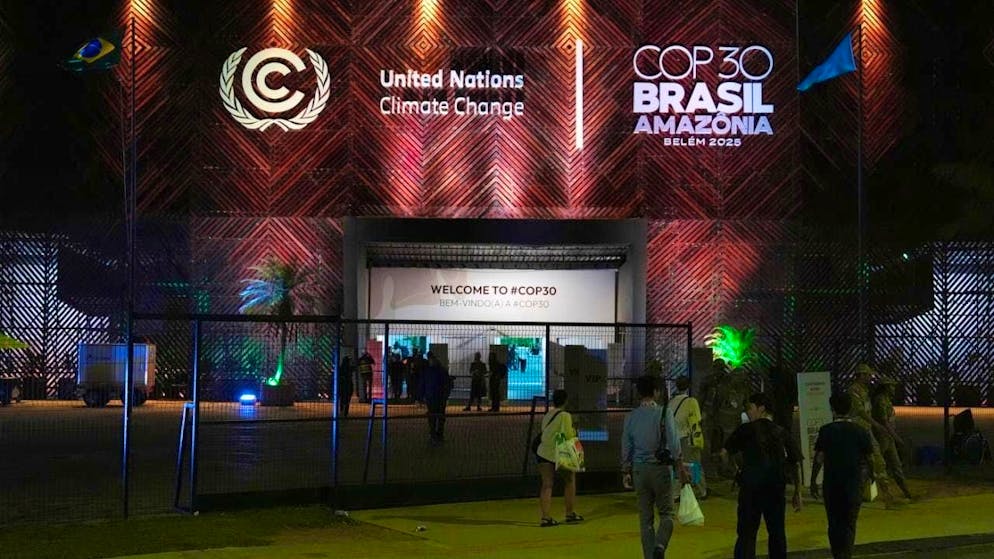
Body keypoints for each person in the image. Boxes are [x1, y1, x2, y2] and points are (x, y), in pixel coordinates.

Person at [722, 393, 802, 559]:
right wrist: (797, 492)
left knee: (747, 533)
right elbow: (795, 462)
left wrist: (736, 468)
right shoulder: (782, 432)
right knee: (777, 531)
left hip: (751, 487)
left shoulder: (745, 429)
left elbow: (724, 453)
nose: (748, 412)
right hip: (775, 488)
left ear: (761, 408)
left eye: (750, 408)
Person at [622, 376, 687, 559]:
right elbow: (674, 443)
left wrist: (626, 470)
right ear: (656, 392)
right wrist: (680, 465)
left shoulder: (631, 416)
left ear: (639, 393)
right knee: (667, 514)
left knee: (645, 520)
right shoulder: (664, 413)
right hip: (660, 469)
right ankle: (659, 546)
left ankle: (649, 556)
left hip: (639, 470)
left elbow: (626, 445)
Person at [810, 393, 874, 559]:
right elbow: (869, 458)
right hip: (853, 482)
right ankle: (846, 554)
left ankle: (837, 554)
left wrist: (812, 481)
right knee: (850, 522)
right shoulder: (861, 431)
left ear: (832, 408)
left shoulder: (826, 431)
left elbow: (819, 458)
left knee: (834, 522)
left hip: (831, 483)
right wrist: (871, 476)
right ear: (851, 408)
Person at [849, 363, 895, 505]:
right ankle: (884, 495)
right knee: (872, 461)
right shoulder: (853, 391)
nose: (870, 378)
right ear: (861, 375)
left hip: (865, 429)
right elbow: (861, 412)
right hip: (859, 430)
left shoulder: (864, 391)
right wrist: (877, 425)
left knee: (876, 462)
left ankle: (885, 493)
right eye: (868, 375)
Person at [536, 389, 583, 526]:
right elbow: (567, 435)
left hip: (543, 452)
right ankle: (570, 513)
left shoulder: (548, 415)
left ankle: (545, 517)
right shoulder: (565, 415)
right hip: (559, 450)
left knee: (546, 484)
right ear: (566, 401)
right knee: (569, 480)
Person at [871, 378, 913, 500]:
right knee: (877, 464)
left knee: (895, 465)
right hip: (883, 436)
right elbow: (884, 421)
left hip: (887, 436)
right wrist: (896, 437)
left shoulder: (885, 399)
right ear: (886, 387)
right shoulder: (881, 400)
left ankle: (906, 493)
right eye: (891, 386)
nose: (893, 389)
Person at [668, 376, 707, 500]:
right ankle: (701, 491)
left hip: (674, 440)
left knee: (677, 465)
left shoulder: (671, 402)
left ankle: (675, 493)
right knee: (694, 464)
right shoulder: (691, 402)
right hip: (687, 438)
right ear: (688, 386)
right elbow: (697, 421)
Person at [423, 353, 450, 444]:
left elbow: (423, 384)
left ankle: (433, 434)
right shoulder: (443, 371)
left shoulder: (428, 372)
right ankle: (440, 435)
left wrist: (421, 396)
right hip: (440, 398)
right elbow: (447, 385)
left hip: (431, 397)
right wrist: (446, 395)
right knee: (441, 417)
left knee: (432, 417)